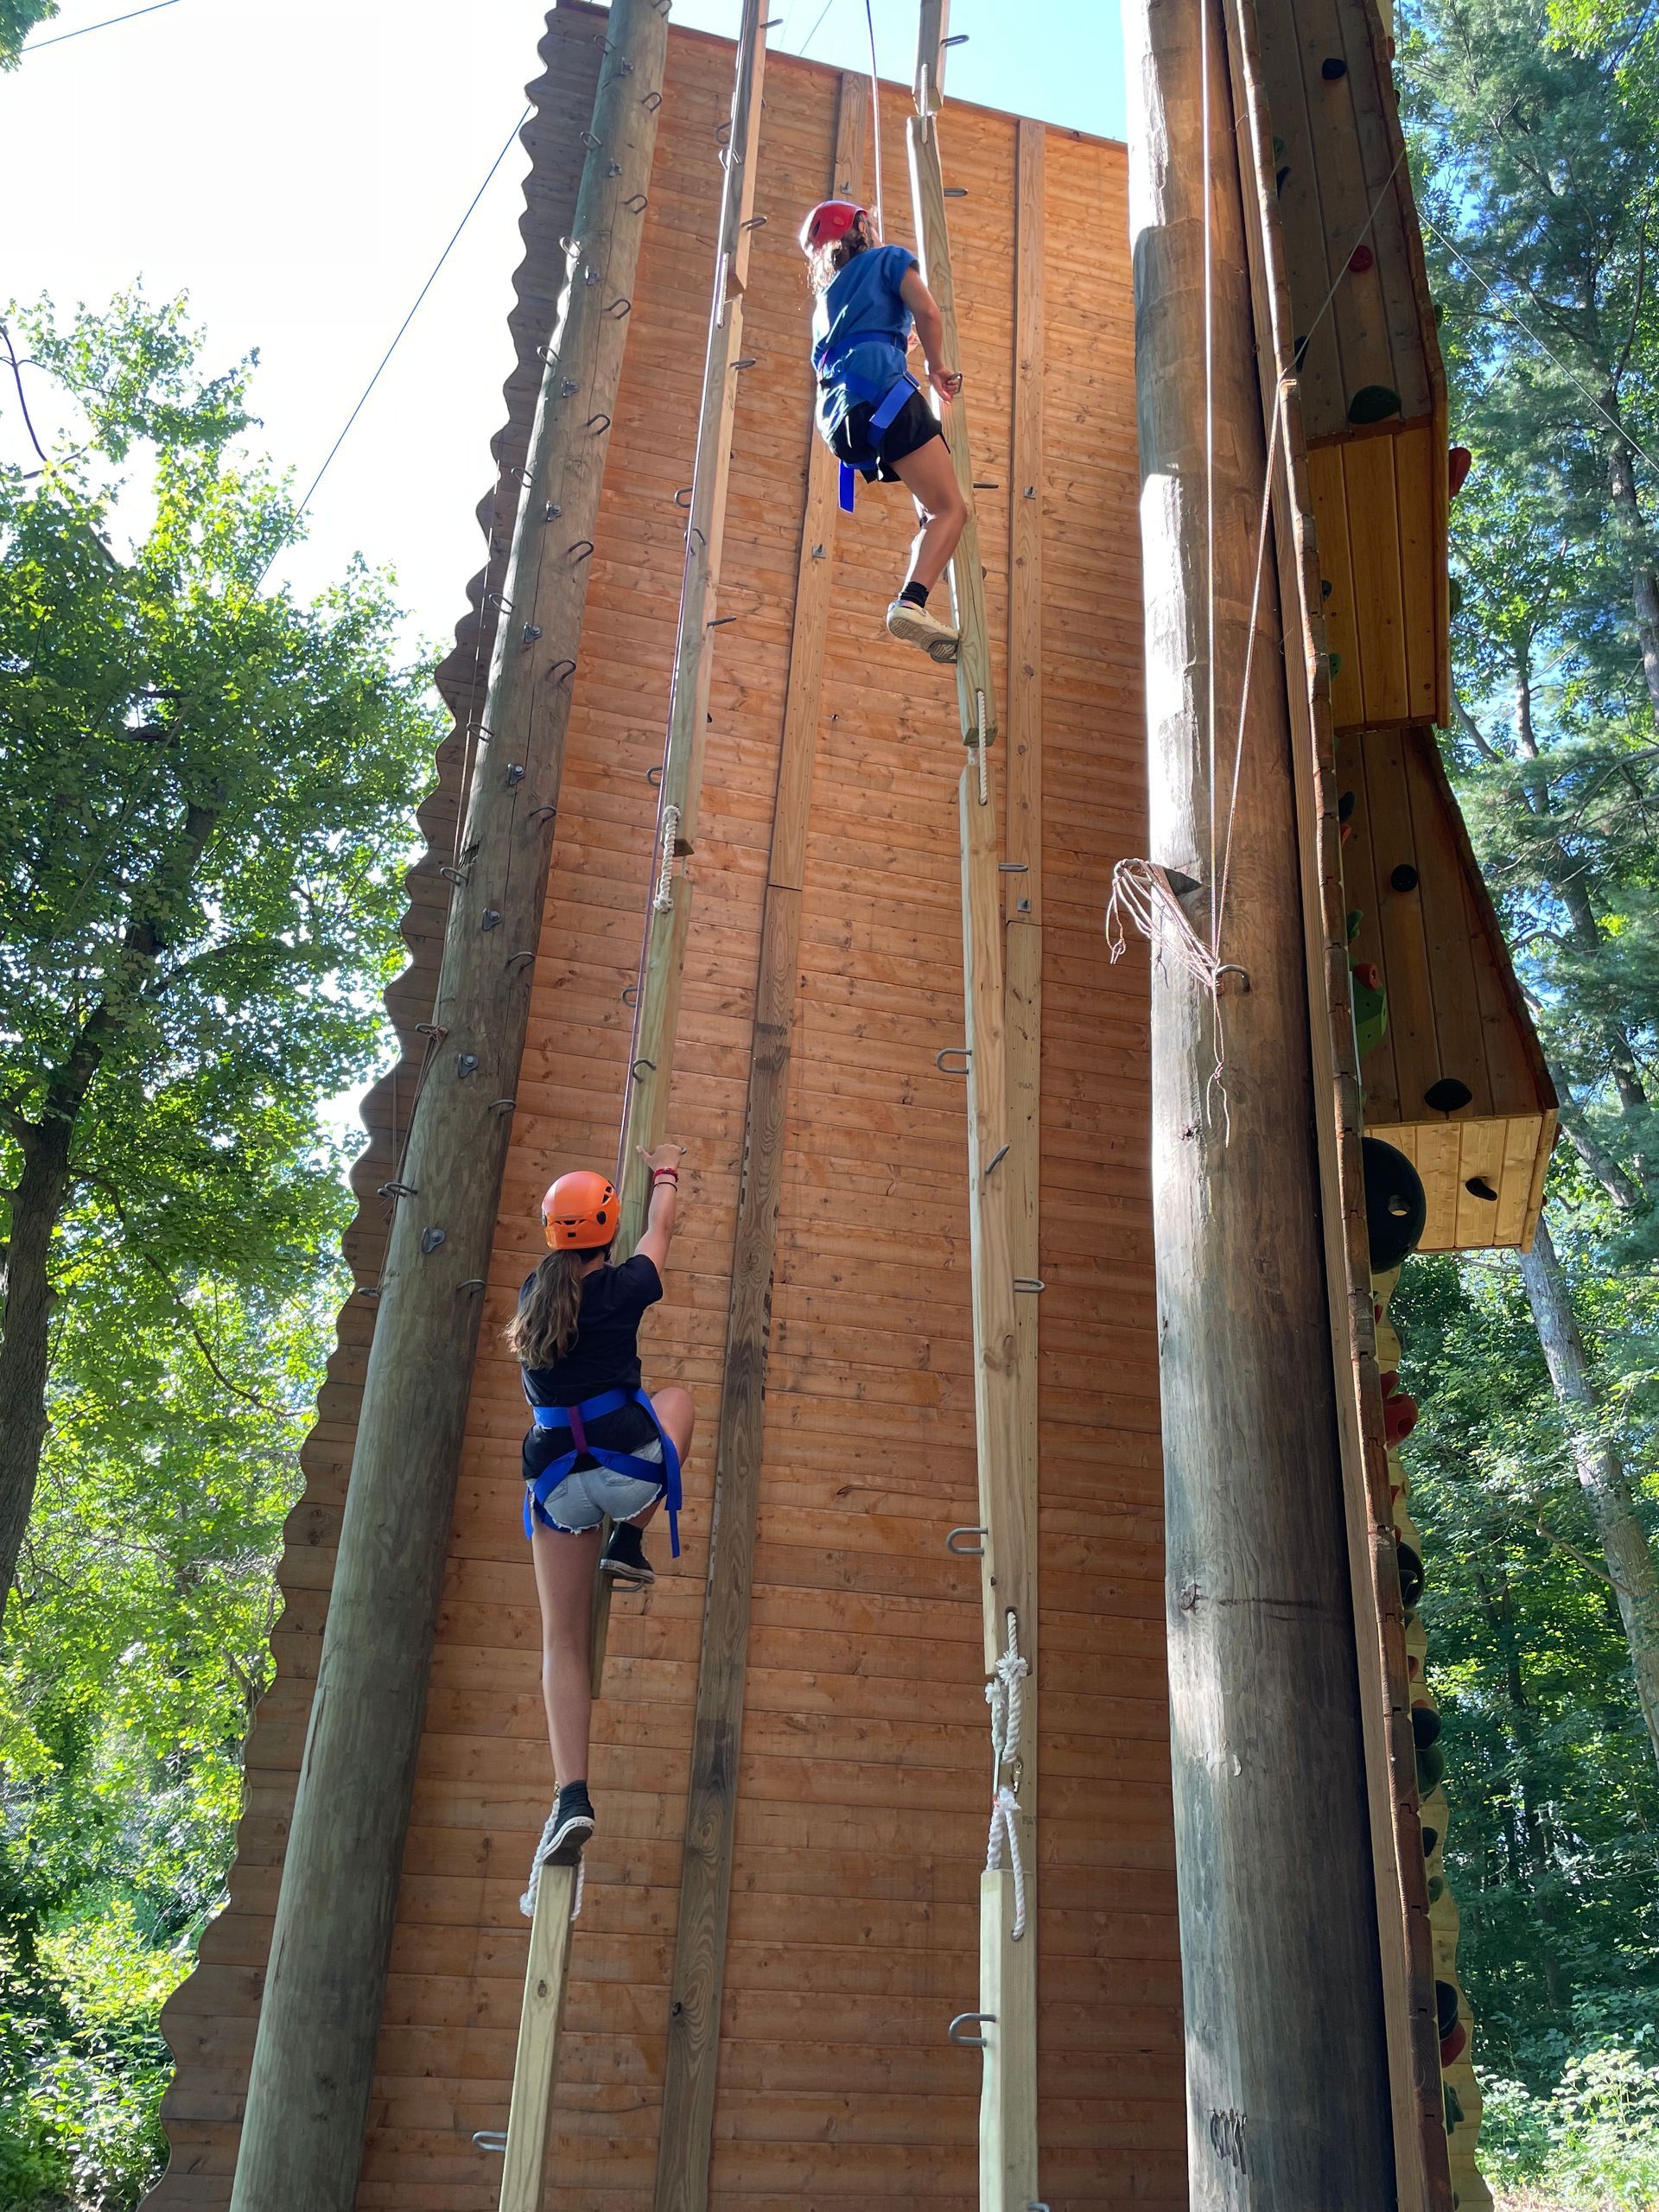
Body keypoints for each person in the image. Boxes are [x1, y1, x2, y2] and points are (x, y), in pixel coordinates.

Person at [505, 1143, 694, 1914]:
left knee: (562, 1642)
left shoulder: (530, 1297)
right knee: (678, 1401)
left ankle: (570, 1794)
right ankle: (633, 1536)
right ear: (605, 1230)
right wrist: (669, 1174)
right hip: (624, 1464)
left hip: (557, 1482)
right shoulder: (625, 1287)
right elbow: (662, 1231)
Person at [801, 199, 968, 663]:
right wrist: (937, 366)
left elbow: (859, 346)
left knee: (930, 514)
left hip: (842, 423)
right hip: (884, 401)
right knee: (950, 509)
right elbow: (929, 313)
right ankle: (911, 603)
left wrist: (904, 344)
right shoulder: (888, 259)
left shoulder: (825, 303)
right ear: (860, 227)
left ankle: (925, 575)